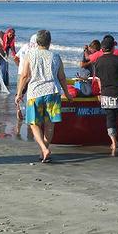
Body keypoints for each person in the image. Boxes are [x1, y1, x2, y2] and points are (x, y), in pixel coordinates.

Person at [15, 30, 73, 163]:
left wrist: (19, 93)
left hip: (35, 93)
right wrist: (67, 94)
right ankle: (44, 151)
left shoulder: (30, 55)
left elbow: (24, 76)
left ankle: (44, 149)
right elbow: (62, 77)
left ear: (37, 42)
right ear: (49, 42)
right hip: (52, 92)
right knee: (49, 124)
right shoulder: (56, 57)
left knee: (34, 123)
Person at [95, 35, 118, 150]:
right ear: (113, 47)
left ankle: (114, 142)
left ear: (103, 48)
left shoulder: (98, 61)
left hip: (106, 93)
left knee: (110, 118)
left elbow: (98, 80)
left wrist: (100, 92)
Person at [15, 33, 38, 119]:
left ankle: (19, 111)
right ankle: (29, 113)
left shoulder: (25, 46)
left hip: (21, 73)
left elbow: (15, 58)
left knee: (19, 93)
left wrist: (20, 66)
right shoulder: (36, 50)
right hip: (31, 74)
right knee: (31, 94)